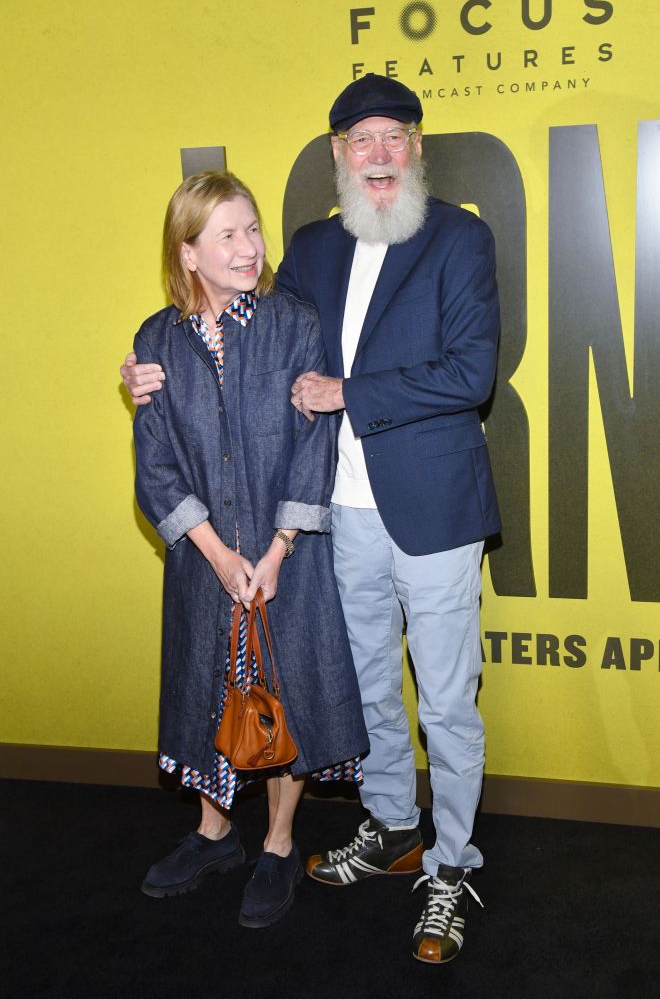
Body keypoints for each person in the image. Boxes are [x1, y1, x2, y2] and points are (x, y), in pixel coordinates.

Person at [122, 74, 501, 964]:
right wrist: (143, 376)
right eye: (359, 140)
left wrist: (347, 392)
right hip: (339, 517)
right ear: (337, 154)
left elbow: (470, 375)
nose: (378, 154)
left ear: (416, 148)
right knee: (367, 687)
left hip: (435, 510)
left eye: (394, 137)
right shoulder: (312, 248)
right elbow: (243, 334)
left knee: (446, 702)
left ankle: (451, 868)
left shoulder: (460, 238)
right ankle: (393, 826)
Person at [130, 169, 368, 930]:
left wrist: (274, 551)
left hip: (283, 557)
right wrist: (215, 553)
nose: (248, 246)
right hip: (204, 560)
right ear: (188, 252)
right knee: (206, 687)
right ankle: (212, 832)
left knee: (285, 688)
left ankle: (277, 842)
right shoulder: (154, 341)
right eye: (226, 234)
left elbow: (313, 442)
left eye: (253, 229)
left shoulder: (293, 323)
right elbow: (155, 460)